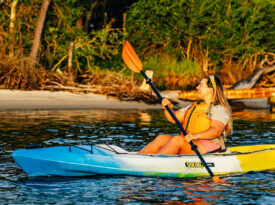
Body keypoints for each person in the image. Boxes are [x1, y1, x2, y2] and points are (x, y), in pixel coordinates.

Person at [138, 74, 232, 155]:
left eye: (201, 85)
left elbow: (216, 131)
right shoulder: (195, 106)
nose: (197, 87)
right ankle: (139, 157)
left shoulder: (218, 109)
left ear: (211, 89)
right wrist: (168, 108)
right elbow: (173, 118)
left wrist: (195, 136)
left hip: (210, 147)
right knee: (161, 138)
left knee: (178, 140)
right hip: (191, 142)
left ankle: (154, 162)